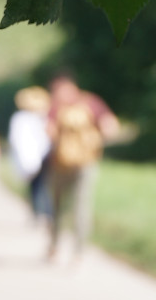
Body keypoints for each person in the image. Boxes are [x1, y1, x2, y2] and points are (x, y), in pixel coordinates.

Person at [45, 73, 119, 262]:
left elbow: (49, 132)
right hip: (84, 163)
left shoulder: (56, 107)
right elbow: (111, 126)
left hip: (62, 164)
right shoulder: (92, 102)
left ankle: (57, 247)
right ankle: (76, 251)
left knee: (59, 207)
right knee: (79, 207)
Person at [8, 85, 52, 222]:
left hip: (43, 157)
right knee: (38, 187)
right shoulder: (22, 119)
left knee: (42, 186)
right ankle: (39, 212)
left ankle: (42, 212)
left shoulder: (40, 118)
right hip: (31, 159)